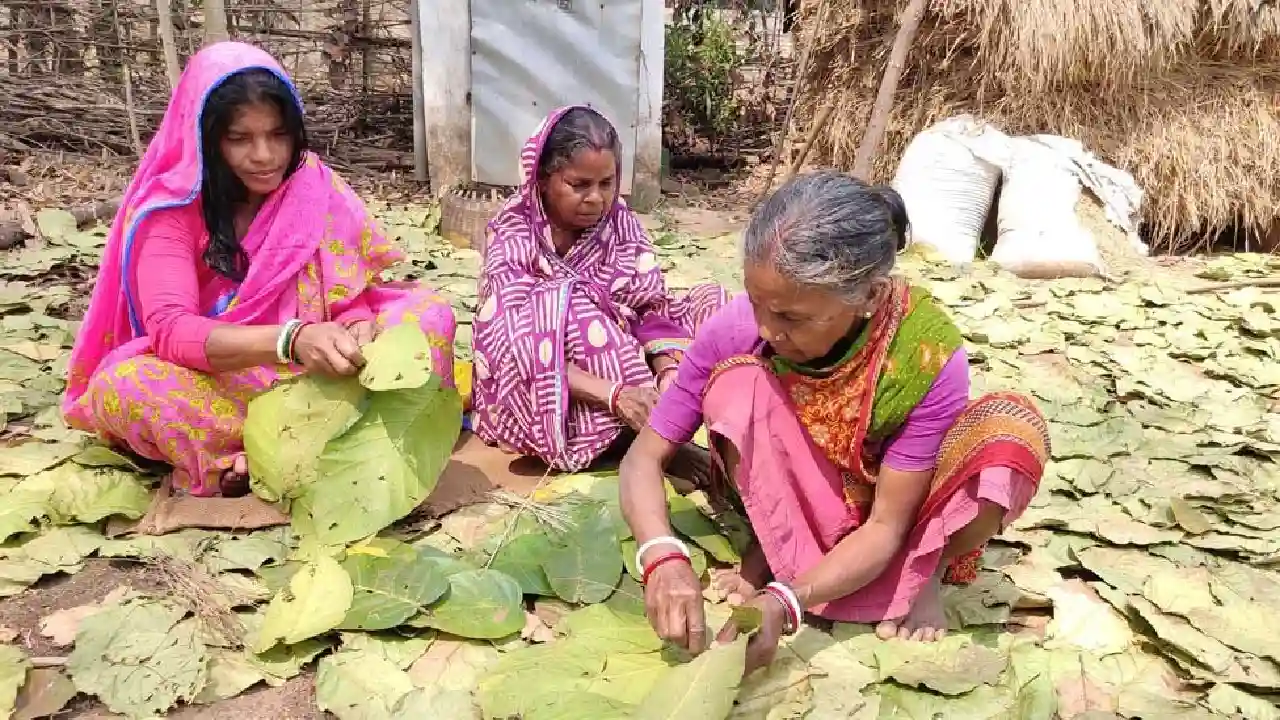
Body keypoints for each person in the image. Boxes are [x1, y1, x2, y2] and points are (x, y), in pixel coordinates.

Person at [619, 171, 1050, 674]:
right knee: (737, 386)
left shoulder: (925, 355)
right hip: (801, 495)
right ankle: (785, 553)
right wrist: (661, 556)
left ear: (868, 297)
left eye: (793, 318)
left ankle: (920, 568)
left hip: (891, 517)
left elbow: (888, 524)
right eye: (758, 303)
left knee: (1008, 439)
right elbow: (644, 458)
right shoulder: (740, 328)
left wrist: (788, 601)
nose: (766, 328)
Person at [62, 42, 456, 498]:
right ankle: (258, 448)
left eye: (277, 134)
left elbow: (351, 294)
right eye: (240, 139)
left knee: (428, 314)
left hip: (326, 374)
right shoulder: (169, 212)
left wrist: (356, 327)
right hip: (230, 377)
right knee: (126, 387)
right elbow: (171, 331)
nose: (265, 155)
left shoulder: (312, 186)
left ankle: (302, 445)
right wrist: (291, 340)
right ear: (206, 138)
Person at [470, 105, 727, 471]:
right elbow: (512, 344)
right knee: (570, 308)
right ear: (543, 179)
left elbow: (648, 306)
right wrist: (616, 396)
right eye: (579, 185)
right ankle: (640, 440)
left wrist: (666, 368)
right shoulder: (513, 234)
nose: (595, 198)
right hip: (547, 385)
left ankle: (661, 419)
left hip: (626, 358)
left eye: (606, 184)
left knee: (715, 306)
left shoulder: (619, 224)